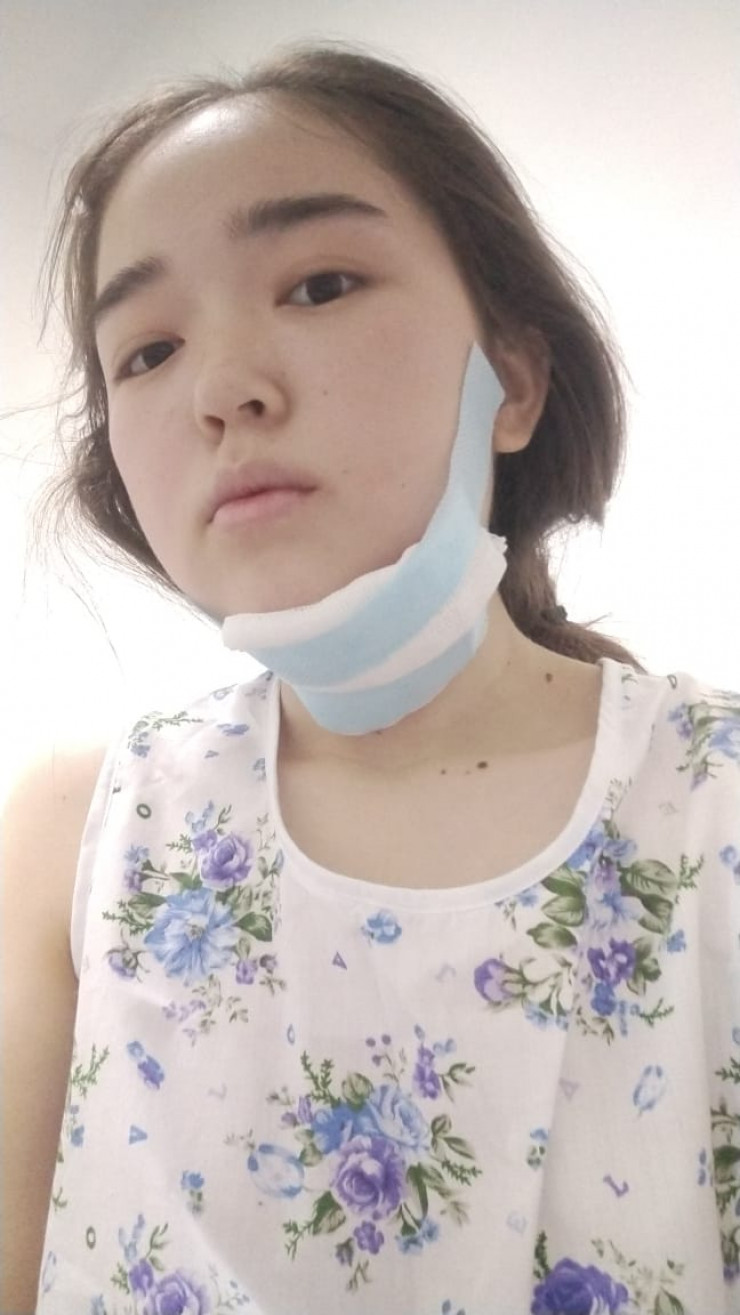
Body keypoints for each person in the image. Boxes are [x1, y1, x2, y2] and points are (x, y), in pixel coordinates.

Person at [2, 39, 739, 1315]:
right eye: (147, 351)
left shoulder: (711, 805)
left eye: (320, 283)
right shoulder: (78, 832)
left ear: (513, 377)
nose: (222, 390)